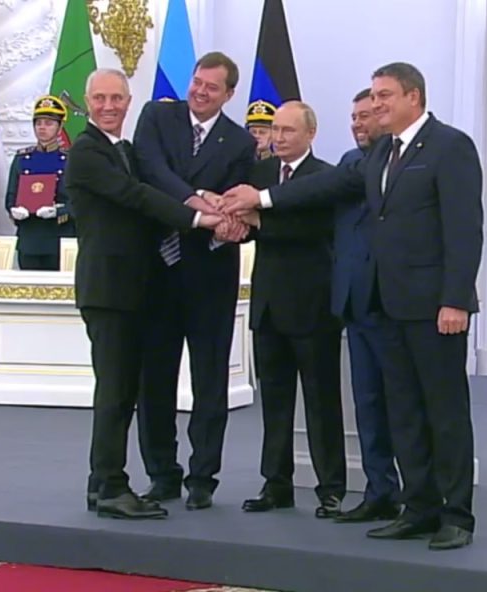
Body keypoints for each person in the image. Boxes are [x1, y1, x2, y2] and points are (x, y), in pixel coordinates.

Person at [220, 62, 483, 550]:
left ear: (414, 97)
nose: (376, 104)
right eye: (374, 96)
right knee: (403, 412)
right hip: (386, 305)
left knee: (443, 412)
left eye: (385, 96)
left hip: (434, 308)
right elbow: (325, 187)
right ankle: (419, 508)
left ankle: (457, 516)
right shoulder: (380, 152)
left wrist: (455, 300)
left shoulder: (450, 146)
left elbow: (465, 231)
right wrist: (262, 197)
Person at [64, 68, 222, 520]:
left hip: (132, 290)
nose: (109, 106)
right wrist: (198, 217)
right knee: (115, 393)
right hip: (109, 290)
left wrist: (206, 200)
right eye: (100, 98)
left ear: (129, 101)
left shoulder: (125, 151)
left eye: (117, 98)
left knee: (122, 391)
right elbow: (135, 196)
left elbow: (151, 191)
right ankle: (112, 486)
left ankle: (100, 483)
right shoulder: (87, 152)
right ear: (87, 102)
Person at [132, 51, 256, 511]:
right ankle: (162, 473)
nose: (200, 92)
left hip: (211, 274)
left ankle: (203, 477)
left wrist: (231, 221)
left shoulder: (240, 142)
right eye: (197, 82)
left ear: (229, 94)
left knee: (210, 381)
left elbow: (238, 202)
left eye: (211, 87)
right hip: (157, 272)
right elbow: (152, 171)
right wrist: (197, 199)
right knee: (154, 380)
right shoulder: (157, 117)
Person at [236, 101, 346, 519]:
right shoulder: (260, 174)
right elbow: (247, 225)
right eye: (274, 130)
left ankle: (331, 488)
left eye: (287, 131)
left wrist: (261, 222)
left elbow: (315, 228)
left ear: (310, 134)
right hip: (268, 306)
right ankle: (276, 484)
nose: (277, 138)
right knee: (275, 402)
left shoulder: (326, 177)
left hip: (313, 308)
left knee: (321, 402)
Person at [331, 88, 401, 524]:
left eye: (365, 116)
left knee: (402, 404)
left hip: (391, 302)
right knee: (368, 403)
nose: (358, 124)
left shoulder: (395, 162)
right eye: (353, 117)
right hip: (355, 303)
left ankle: (422, 492)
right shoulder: (347, 162)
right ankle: (380, 490)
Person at [5, 95, 74, 271]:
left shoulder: (71, 160)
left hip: (58, 237)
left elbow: (79, 202)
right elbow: (11, 196)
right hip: (29, 238)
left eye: (49, 123)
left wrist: (58, 211)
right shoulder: (22, 158)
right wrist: (14, 210)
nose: (42, 128)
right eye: (38, 123)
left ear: (60, 127)